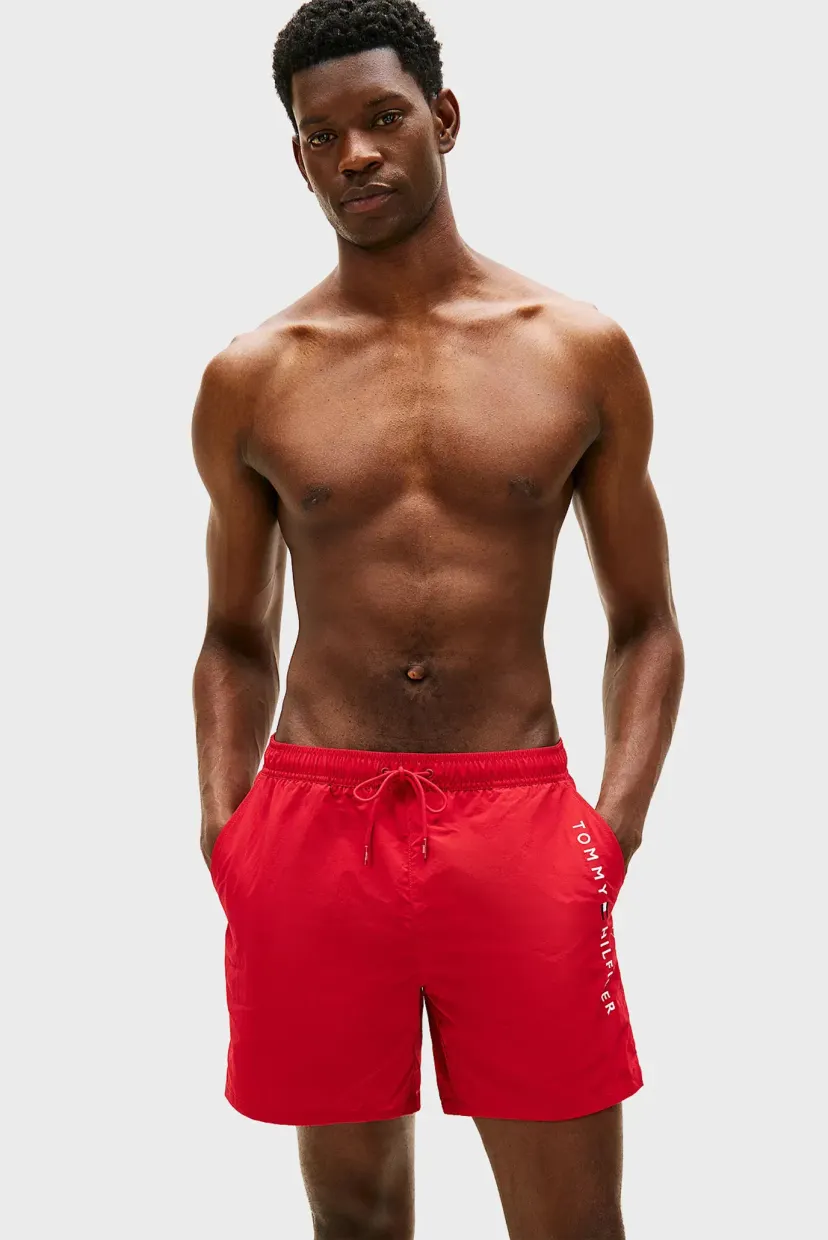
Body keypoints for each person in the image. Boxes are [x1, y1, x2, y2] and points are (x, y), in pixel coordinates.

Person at [190, 1, 685, 1235]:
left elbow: (645, 623)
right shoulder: (254, 374)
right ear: (297, 157)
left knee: (573, 1222)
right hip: (312, 825)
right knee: (356, 1221)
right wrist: (227, 831)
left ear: (444, 118)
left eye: (382, 118)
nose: (354, 154)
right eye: (321, 136)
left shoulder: (576, 351)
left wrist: (610, 833)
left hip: (519, 823)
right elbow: (235, 636)